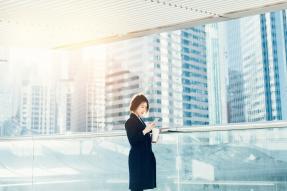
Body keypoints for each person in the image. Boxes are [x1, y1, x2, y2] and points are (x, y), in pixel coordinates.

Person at [125, 93, 157, 191]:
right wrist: (146, 130)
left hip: (142, 158)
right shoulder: (130, 121)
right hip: (137, 159)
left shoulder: (140, 120)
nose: (144, 110)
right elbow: (133, 140)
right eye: (142, 106)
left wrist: (152, 133)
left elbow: (142, 137)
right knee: (137, 187)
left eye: (146, 107)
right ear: (135, 105)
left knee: (140, 187)